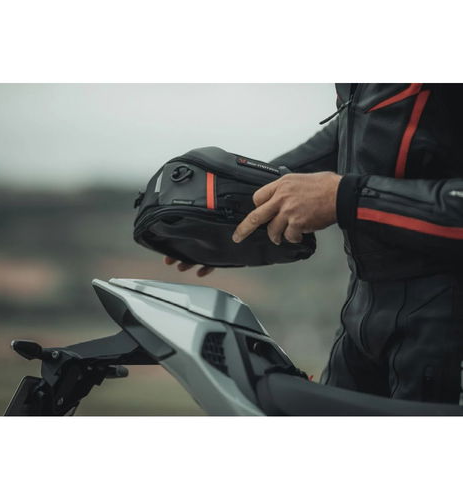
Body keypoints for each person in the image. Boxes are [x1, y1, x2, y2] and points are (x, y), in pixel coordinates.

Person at [165, 83, 463, 405]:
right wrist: (236, 208)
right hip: (364, 309)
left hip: (446, 319)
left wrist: (345, 197)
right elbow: (364, 129)